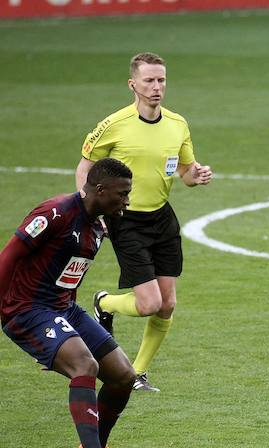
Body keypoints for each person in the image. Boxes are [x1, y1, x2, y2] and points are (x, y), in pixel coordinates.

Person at [75, 52, 213, 392]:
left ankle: (137, 372)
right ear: (132, 84)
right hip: (125, 220)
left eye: (161, 80)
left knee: (166, 305)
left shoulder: (177, 124)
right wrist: (89, 210)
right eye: (149, 80)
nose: (156, 87)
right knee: (148, 303)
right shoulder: (114, 125)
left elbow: (184, 171)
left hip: (163, 218)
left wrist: (197, 175)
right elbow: (85, 166)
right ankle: (104, 303)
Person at [1, 158, 137, 448]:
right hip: (26, 309)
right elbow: (9, 256)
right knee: (84, 364)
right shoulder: (55, 214)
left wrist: (64, 334)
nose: (127, 201)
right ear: (100, 190)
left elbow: (67, 275)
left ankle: (93, 447)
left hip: (64, 308)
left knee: (124, 376)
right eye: (122, 194)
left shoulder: (97, 228)